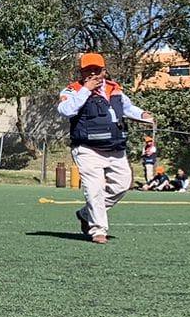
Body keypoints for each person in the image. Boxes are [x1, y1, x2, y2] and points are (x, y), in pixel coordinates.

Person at [58, 51, 155, 244]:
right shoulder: (72, 90)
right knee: (94, 189)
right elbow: (66, 111)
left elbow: (128, 108)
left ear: (104, 71)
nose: (93, 74)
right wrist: (86, 90)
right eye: (88, 70)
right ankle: (98, 230)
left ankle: (86, 214)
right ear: (81, 72)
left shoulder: (115, 89)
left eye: (96, 70)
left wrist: (143, 114)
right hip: (87, 149)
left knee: (121, 185)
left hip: (115, 148)